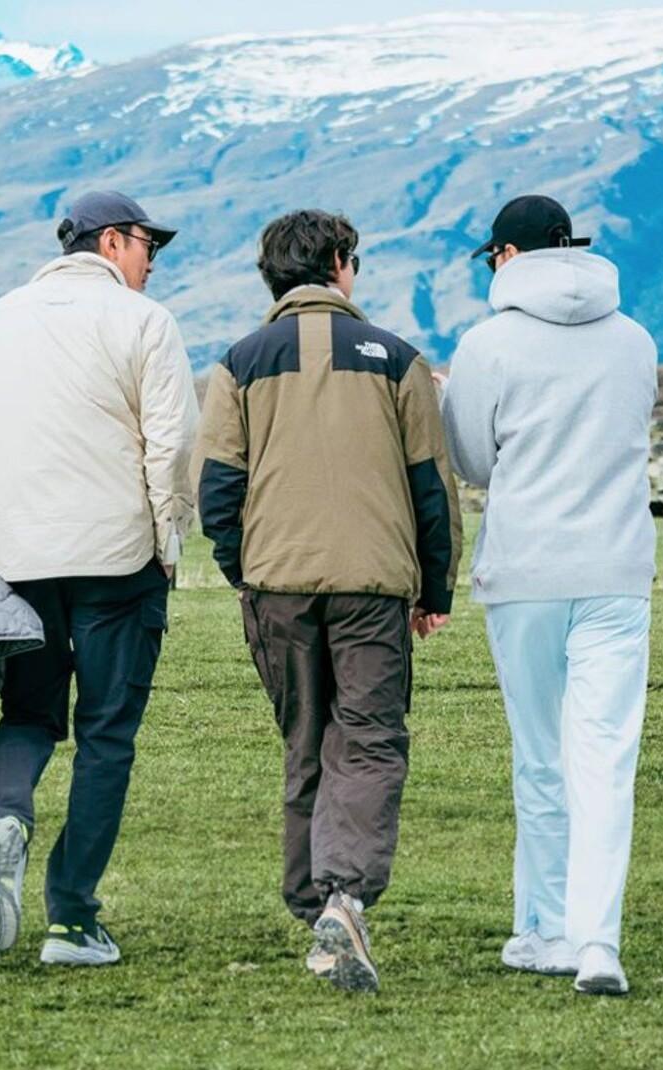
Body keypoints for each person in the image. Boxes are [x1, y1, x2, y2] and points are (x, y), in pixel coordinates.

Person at [0, 190, 198, 967]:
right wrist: (167, 539)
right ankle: (73, 919)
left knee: (28, 714)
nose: (153, 260)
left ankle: (9, 816)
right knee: (106, 735)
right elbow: (171, 445)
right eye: (148, 244)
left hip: (18, 561)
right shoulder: (146, 323)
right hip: (119, 561)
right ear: (112, 242)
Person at [196, 209, 461, 993]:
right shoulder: (398, 360)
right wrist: (434, 587)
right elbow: (432, 488)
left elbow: (217, 487)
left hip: (276, 585)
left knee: (306, 736)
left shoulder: (239, 363)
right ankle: (343, 898)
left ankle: (314, 902)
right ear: (341, 264)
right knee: (369, 739)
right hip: (372, 587)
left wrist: (243, 570)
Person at [439, 194, 657, 996]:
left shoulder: (487, 344)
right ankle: (599, 942)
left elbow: (472, 462)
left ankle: (544, 929)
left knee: (540, 759)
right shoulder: (635, 340)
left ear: (505, 257)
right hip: (616, 570)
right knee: (604, 759)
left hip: (526, 570)